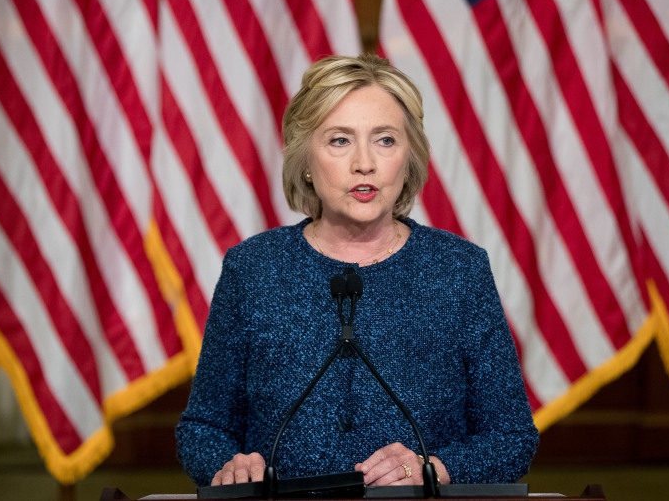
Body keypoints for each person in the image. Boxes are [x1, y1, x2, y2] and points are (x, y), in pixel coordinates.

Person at [175, 54, 538, 488]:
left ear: (409, 158)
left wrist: (433, 469)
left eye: (385, 140)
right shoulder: (252, 269)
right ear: (306, 159)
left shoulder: (459, 270)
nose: (364, 163)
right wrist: (230, 465)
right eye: (340, 141)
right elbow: (203, 429)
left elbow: (512, 439)